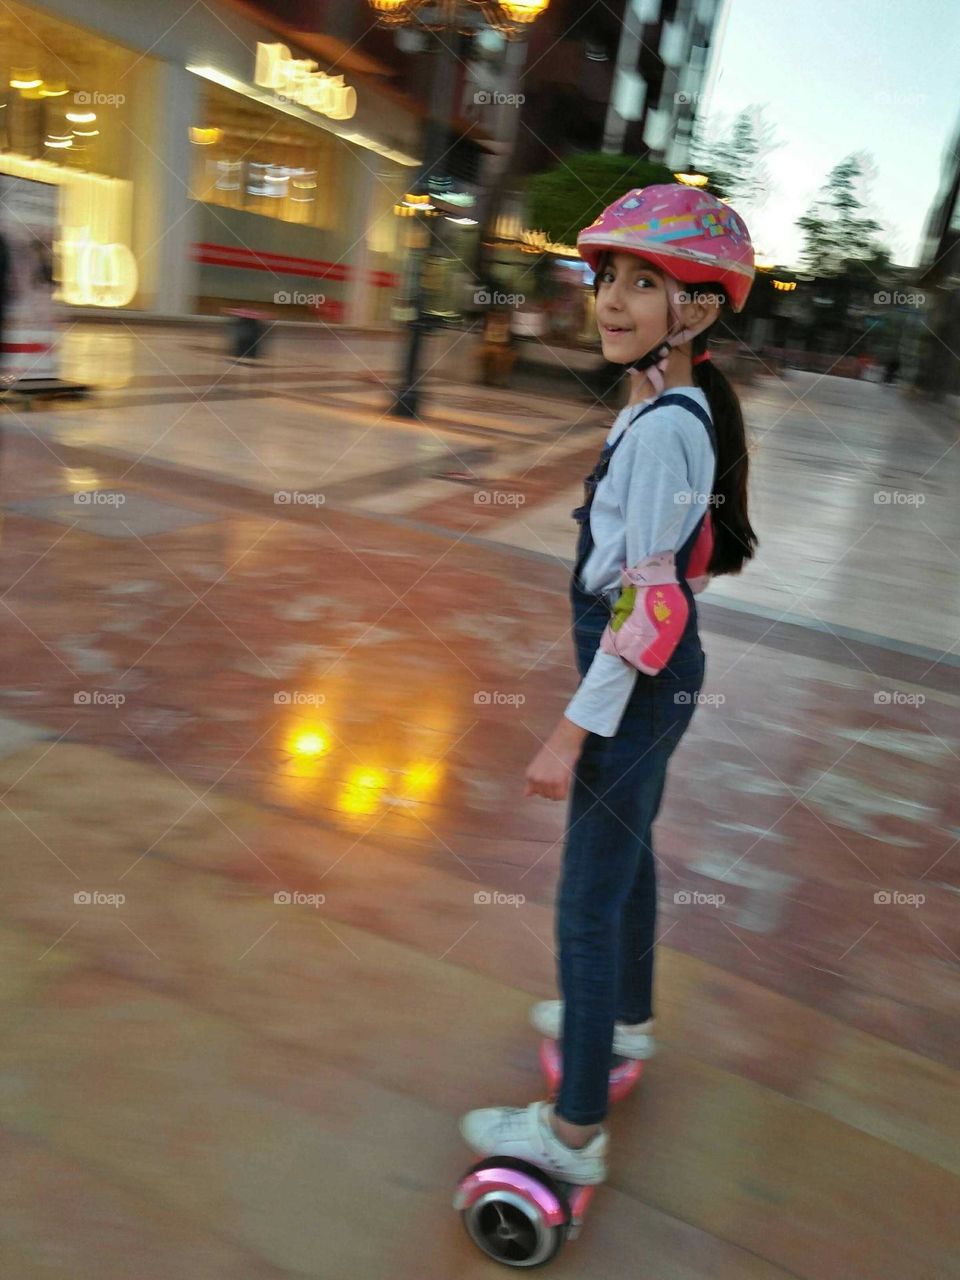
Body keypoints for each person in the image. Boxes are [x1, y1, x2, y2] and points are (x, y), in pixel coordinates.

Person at [459, 184, 759, 1185]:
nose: (613, 300)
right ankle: (626, 1021)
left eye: (645, 282)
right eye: (607, 280)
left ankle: (574, 1129)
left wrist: (567, 734)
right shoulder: (665, 409)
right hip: (658, 679)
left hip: (636, 679)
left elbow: (655, 608)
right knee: (625, 864)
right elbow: (676, 564)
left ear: (701, 308)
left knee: (583, 906)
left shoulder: (669, 424)